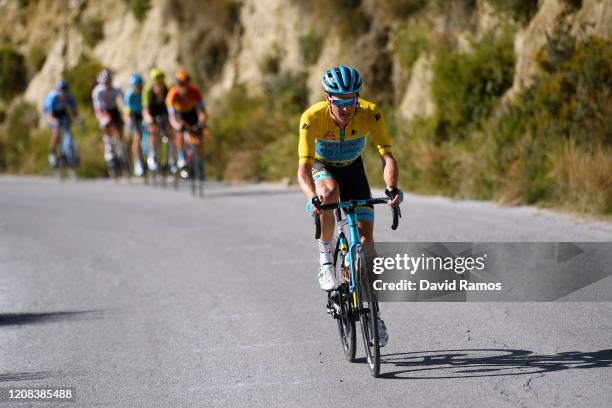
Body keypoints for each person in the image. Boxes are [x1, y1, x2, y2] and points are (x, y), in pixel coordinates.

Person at [296, 65, 403, 347]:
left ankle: (374, 313)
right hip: (324, 168)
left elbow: (387, 156)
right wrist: (311, 197)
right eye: (340, 102)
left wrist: (391, 188)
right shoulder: (312, 117)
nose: (346, 109)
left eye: (351, 101)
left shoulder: (370, 112)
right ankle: (325, 259)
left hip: (354, 170)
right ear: (328, 98)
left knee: (368, 245)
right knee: (329, 193)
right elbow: (303, 169)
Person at [165, 69, 206, 169]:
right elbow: (171, 116)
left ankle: (201, 164)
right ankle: (181, 157)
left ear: (188, 83)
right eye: (179, 84)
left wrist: (201, 123)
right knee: (180, 131)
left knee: (198, 139)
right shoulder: (172, 94)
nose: (182, 87)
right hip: (179, 115)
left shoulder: (195, 91)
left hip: (191, 113)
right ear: (176, 84)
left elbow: (202, 112)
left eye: (184, 83)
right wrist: (177, 125)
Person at [43, 80, 81, 167]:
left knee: (68, 129)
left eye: (64, 91)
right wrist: (54, 122)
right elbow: (49, 115)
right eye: (60, 91)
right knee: (56, 131)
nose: (62, 93)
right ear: (57, 91)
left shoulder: (70, 97)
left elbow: (74, 112)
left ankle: (69, 150)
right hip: (51, 114)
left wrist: (78, 119)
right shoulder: (52, 98)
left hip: (63, 112)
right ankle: (52, 153)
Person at [143, 67, 172, 172]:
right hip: (152, 112)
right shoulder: (147, 91)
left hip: (164, 111)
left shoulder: (167, 89)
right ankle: (153, 154)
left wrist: (171, 120)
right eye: (156, 84)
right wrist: (149, 119)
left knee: (170, 131)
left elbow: (171, 107)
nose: (159, 87)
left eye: (160, 84)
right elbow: (145, 109)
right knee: (153, 130)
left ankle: (172, 159)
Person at [92, 68, 124, 164]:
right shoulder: (97, 91)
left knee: (120, 125)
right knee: (105, 124)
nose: (107, 84)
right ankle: (108, 147)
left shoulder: (116, 88)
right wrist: (103, 117)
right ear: (101, 83)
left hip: (114, 109)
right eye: (105, 83)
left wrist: (126, 113)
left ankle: (120, 144)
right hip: (103, 110)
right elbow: (97, 109)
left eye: (109, 82)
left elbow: (124, 101)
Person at [124, 73, 145, 176]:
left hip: (143, 114)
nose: (137, 88)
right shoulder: (129, 95)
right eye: (135, 86)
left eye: (139, 86)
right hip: (133, 116)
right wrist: (130, 122)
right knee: (136, 137)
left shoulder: (144, 93)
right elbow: (127, 112)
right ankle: (137, 162)